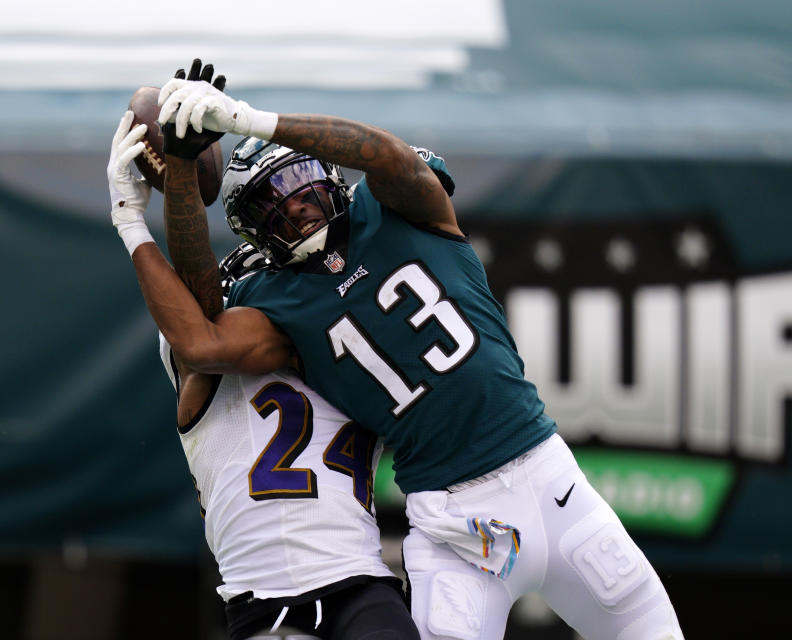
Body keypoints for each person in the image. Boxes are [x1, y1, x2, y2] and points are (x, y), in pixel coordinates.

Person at [116, 60, 684, 639]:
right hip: (451, 525)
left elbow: (385, 154)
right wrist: (178, 172)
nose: (294, 206)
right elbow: (201, 334)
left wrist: (253, 121)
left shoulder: (395, 208)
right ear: (253, 233)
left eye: (295, 184)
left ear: (330, 175)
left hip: (549, 478)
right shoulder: (276, 302)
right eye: (269, 206)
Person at [106, 62, 421, 640]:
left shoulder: (343, 318)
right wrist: (141, 215)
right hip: (267, 600)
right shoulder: (212, 350)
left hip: (362, 580)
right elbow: (199, 330)